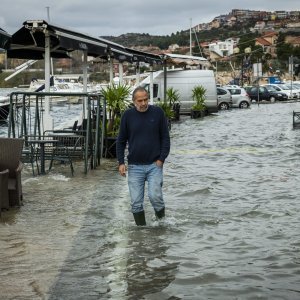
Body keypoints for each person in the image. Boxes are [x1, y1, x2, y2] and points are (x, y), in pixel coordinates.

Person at [116, 86, 170, 226]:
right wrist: (121, 162)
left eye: (146, 99)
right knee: (136, 203)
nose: (144, 103)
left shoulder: (158, 113)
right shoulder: (127, 116)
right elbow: (121, 141)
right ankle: (141, 234)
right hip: (134, 166)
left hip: (154, 165)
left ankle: (161, 224)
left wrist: (161, 160)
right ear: (134, 101)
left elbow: (165, 138)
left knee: (155, 197)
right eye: (140, 100)